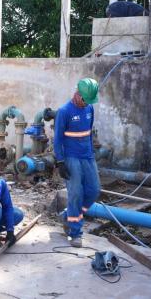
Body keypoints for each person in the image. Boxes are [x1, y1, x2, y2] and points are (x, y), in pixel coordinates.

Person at [55, 78, 100, 248]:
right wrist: (60, 161)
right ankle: (75, 233)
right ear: (77, 94)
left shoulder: (89, 108)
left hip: (87, 156)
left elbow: (89, 133)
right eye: (85, 99)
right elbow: (57, 140)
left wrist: (91, 153)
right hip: (71, 157)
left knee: (94, 191)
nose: (87, 103)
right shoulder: (64, 111)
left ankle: (68, 216)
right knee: (76, 194)